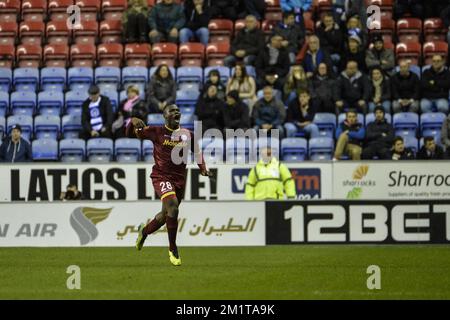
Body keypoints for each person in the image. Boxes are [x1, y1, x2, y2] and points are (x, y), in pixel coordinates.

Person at [128, 104, 213, 266]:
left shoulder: (188, 134)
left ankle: (144, 231)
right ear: (164, 115)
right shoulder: (156, 132)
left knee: (164, 216)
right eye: (172, 110)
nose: (176, 112)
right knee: (173, 206)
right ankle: (173, 249)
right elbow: (131, 134)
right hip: (161, 176)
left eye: (177, 110)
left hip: (179, 179)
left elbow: (197, 152)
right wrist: (132, 121)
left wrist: (203, 168)